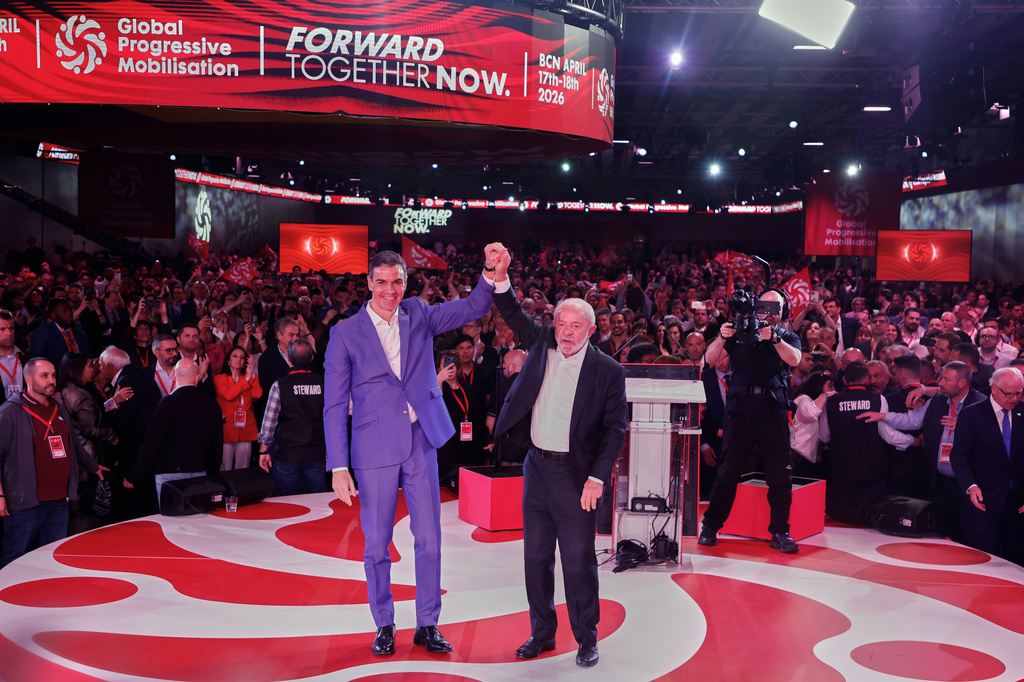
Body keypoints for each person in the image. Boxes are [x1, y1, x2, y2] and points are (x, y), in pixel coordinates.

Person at [324, 246, 501, 656]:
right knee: (376, 543)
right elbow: (334, 405)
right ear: (368, 283)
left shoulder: (419, 313)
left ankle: (428, 623)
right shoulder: (344, 333)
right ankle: (384, 623)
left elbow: (474, 304)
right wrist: (338, 465)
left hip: (422, 441)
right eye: (382, 282)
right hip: (373, 448)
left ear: (406, 282)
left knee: (431, 540)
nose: (390, 290)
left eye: (398, 281)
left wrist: (490, 271)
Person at [490, 249, 627, 669]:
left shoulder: (607, 371)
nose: (566, 333)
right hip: (536, 468)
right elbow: (512, 311)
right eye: (561, 324)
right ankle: (542, 633)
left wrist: (597, 479)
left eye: (575, 327)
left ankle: (587, 638)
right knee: (535, 558)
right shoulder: (541, 345)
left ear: (591, 329)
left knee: (578, 561)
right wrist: (500, 276)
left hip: (576, 475)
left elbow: (614, 430)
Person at [697, 290, 803, 553]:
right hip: (739, 412)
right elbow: (710, 359)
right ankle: (710, 526)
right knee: (727, 473)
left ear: (783, 310)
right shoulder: (739, 331)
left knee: (780, 477)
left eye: (774, 307)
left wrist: (774, 338)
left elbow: (795, 359)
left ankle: (780, 532)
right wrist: (723, 336)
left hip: (772, 412)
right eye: (763, 305)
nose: (768, 311)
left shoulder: (786, 335)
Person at [859, 361, 984, 541]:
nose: (939, 382)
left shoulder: (980, 404)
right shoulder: (938, 401)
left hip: (968, 484)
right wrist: (882, 416)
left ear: (962, 383)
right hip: (938, 481)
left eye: (946, 379)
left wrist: (966, 427)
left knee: (967, 534)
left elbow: (994, 440)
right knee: (940, 532)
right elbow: (911, 421)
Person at [0, 358, 107, 568]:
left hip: (59, 499)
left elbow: (72, 445)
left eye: (53, 375)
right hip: (24, 503)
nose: (52, 380)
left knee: (51, 558)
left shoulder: (57, 407)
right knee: (14, 558)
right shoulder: (11, 411)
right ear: (28, 379)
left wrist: (93, 466)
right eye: (45, 376)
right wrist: (0, 494)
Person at [819, 362, 915, 525]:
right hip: (872, 469)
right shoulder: (879, 399)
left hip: (841, 469)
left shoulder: (832, 401)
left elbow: (824, 436)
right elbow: (887, 435)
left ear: (844, 379)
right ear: (866, 378)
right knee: (869, 522)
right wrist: (913, 440)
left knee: (842, 521)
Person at [124, 358, 224, 506]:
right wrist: (212, 473)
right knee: (198, 523)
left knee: (171, 524)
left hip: (168, 475)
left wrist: (134, 475)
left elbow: (152, 443)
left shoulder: (167, 403)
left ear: (175, 376)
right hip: (200, 472)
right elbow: (217, 445)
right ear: (197, 377)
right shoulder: (211, 404)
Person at [950, 366, 1024, 564]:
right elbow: (959, 457)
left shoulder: (1022, 412)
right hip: (984, 501)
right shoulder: (971, 415)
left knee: (1016, 560)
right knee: (985, 558)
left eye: (1019, 393)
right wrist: (970, 486)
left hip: (1018, 504)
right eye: (1010, 394)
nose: (1015, 399)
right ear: (994, 388)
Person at [257, 338, 327, 496]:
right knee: (319, 506)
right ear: (311, 358)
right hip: (316, 454)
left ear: (288, 358)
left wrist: (263, 451)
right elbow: (332, 420)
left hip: (287, 455)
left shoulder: (280, 385)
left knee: (287, 506)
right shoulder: (324, 383)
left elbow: (269, 424)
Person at [214, 346, 263, 471]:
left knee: (243, 468)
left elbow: (257, 394)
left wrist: (252, 375)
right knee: (225, 468)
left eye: (242, 357)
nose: (239, 359)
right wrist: (246, 379)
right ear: (228, 361)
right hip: (227, 429)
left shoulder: (248, 377)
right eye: (235, 356)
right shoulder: (219, 378)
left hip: (246, 427)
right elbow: (228, 396)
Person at [29, 299, 91, 366]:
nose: (69, 313)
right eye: (64, 311)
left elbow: (88, 358)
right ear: (53, 315)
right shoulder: (42, 334)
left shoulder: (81, 334)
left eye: (70, 310)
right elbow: (38, 363)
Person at [0, 308, 27, 402]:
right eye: (2, 329)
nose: (9, 333)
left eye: (11, 328)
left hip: (27, 413)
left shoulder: (27, 358)